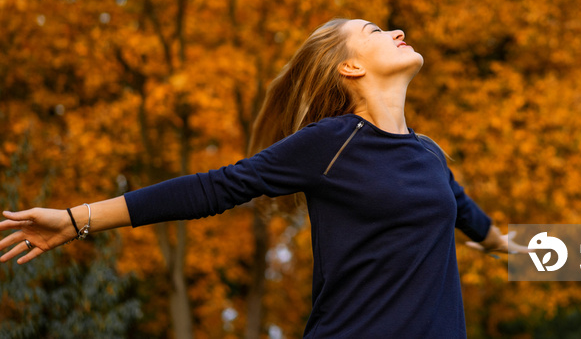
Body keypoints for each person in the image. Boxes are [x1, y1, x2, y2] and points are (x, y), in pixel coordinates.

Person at [0, 18, 528, 338]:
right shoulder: (332, 142)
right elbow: (214, 187)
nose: (398, 31)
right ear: (350, 69)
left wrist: (527, 250)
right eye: (375, 31)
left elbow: (467, 215)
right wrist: (76, 219)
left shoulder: (430, 154)